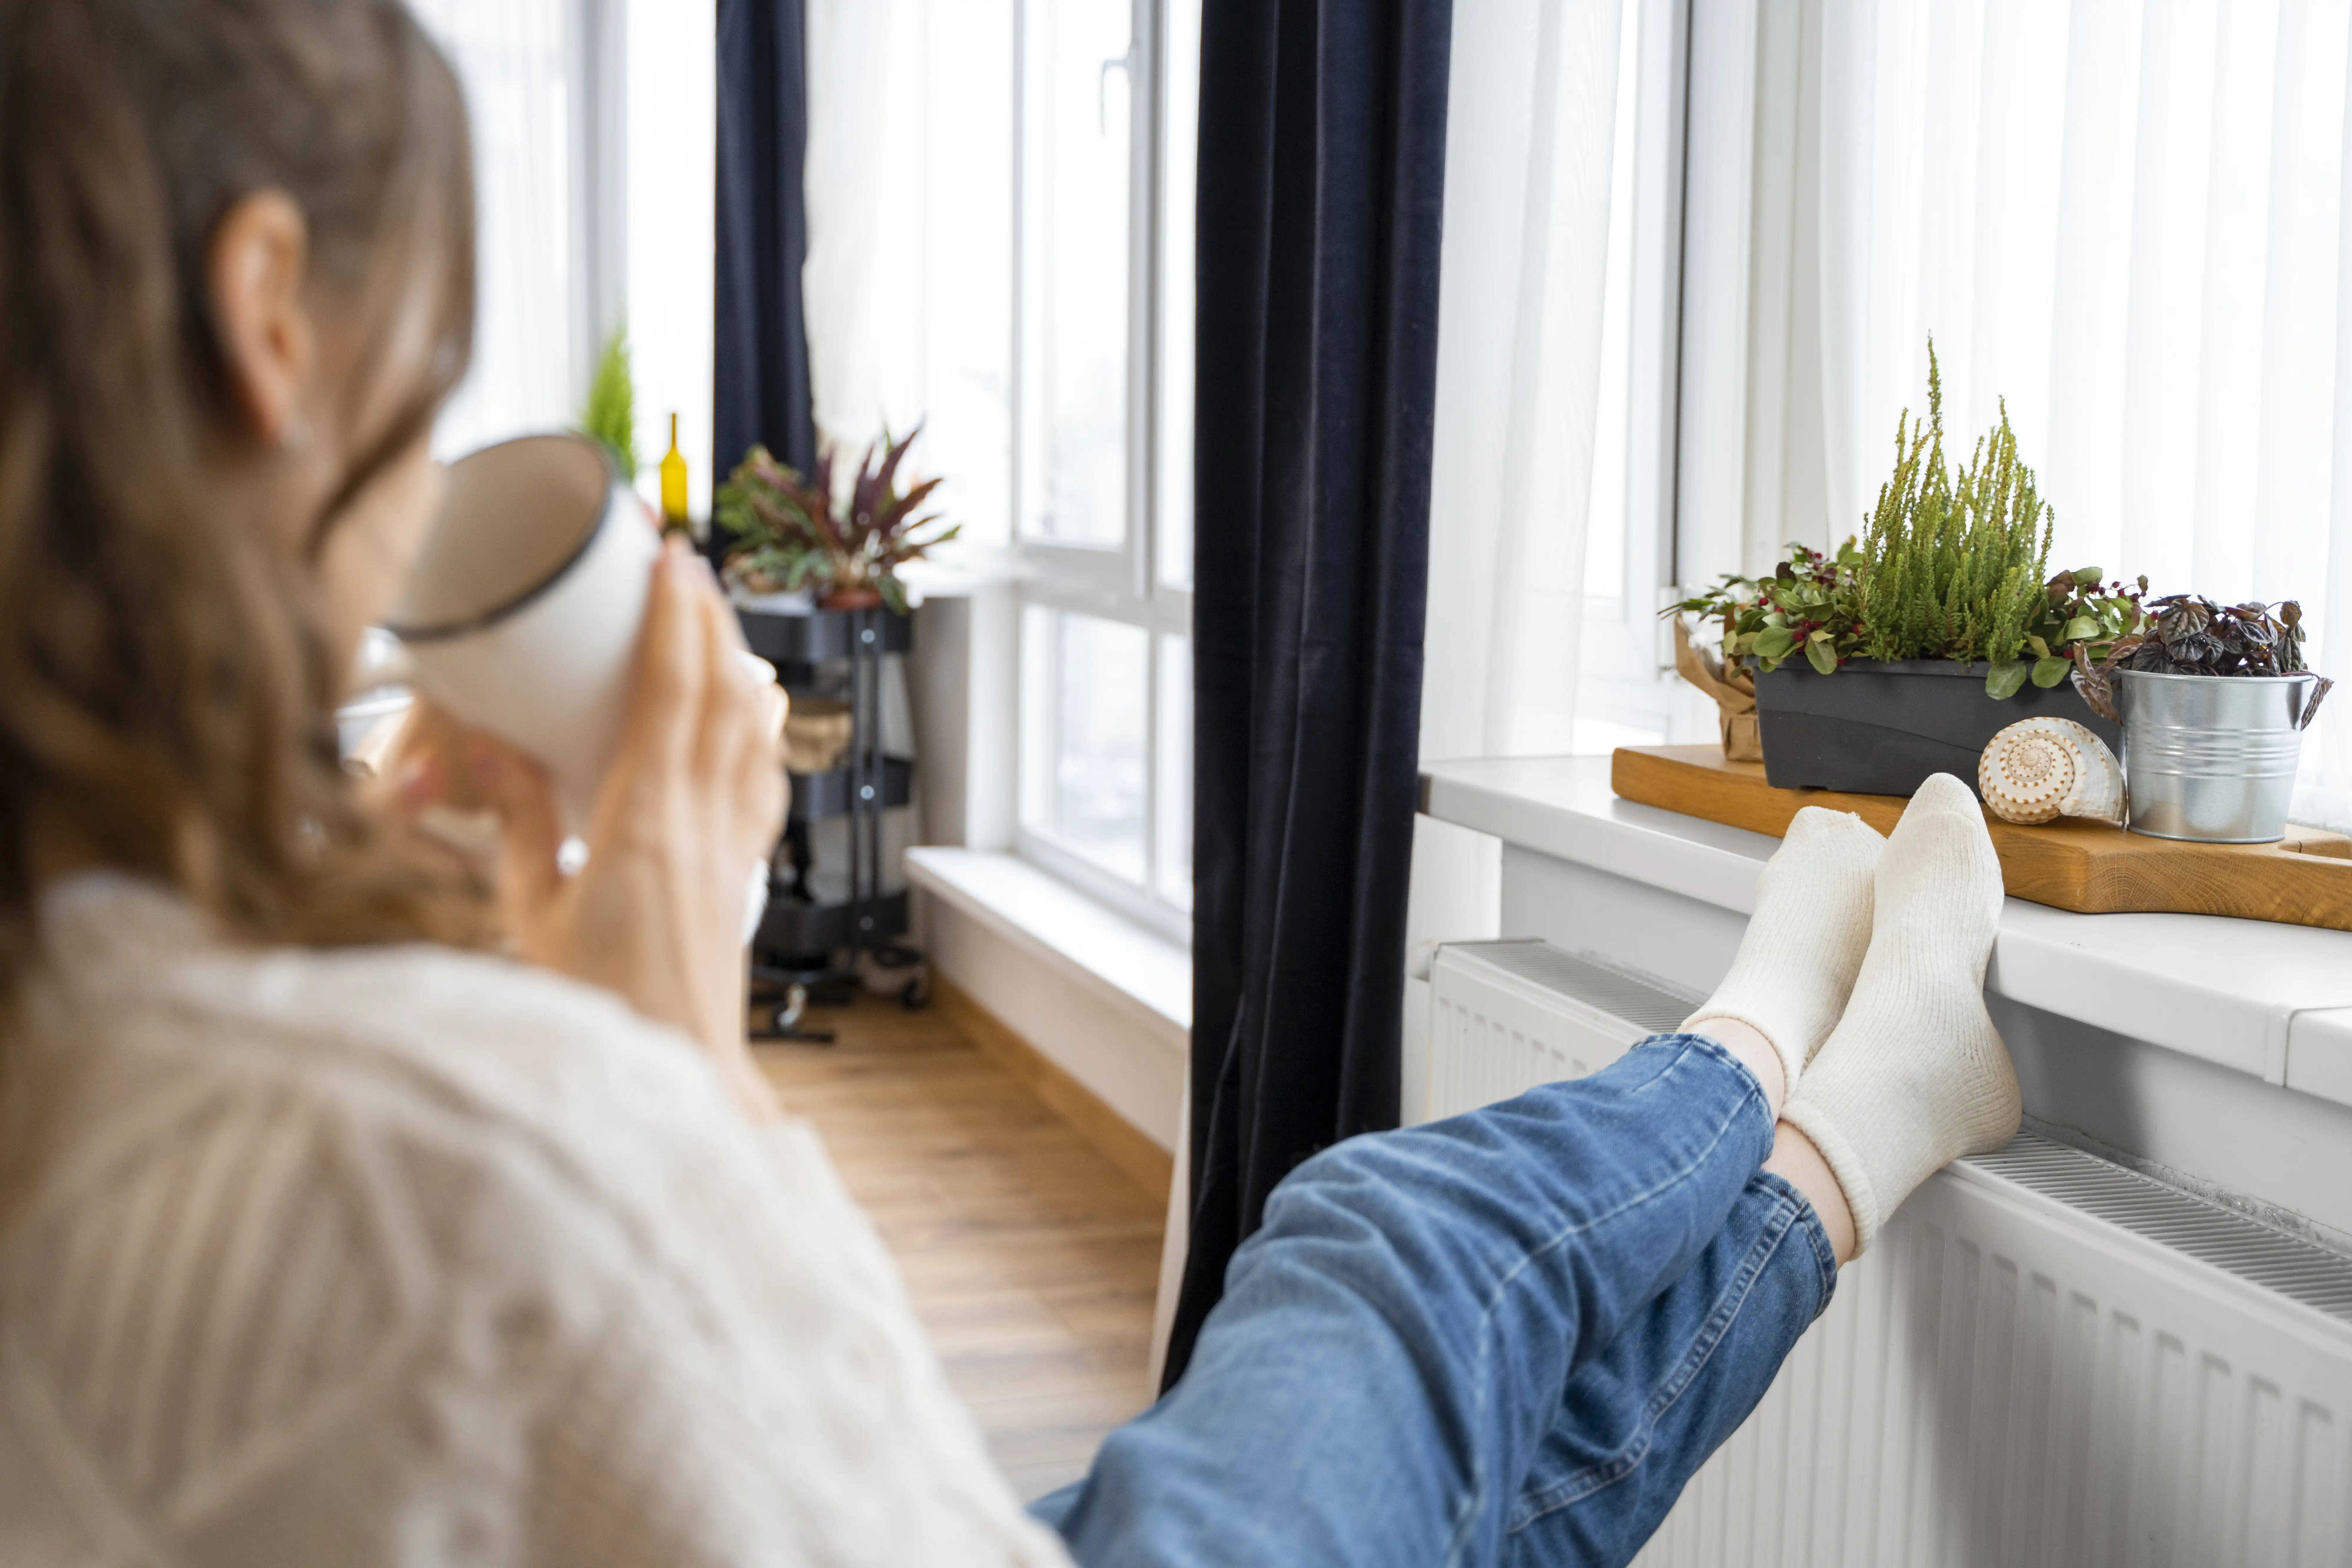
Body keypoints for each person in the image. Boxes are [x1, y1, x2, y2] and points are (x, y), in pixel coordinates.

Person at [0, 3, 2021, 1564]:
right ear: (272, 315)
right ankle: (1780, 1060)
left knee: (1443, 1468)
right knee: (1378, 1246)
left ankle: (1827, 1104)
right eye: (422, 365)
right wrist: (669, 1049)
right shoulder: (425, 1166)